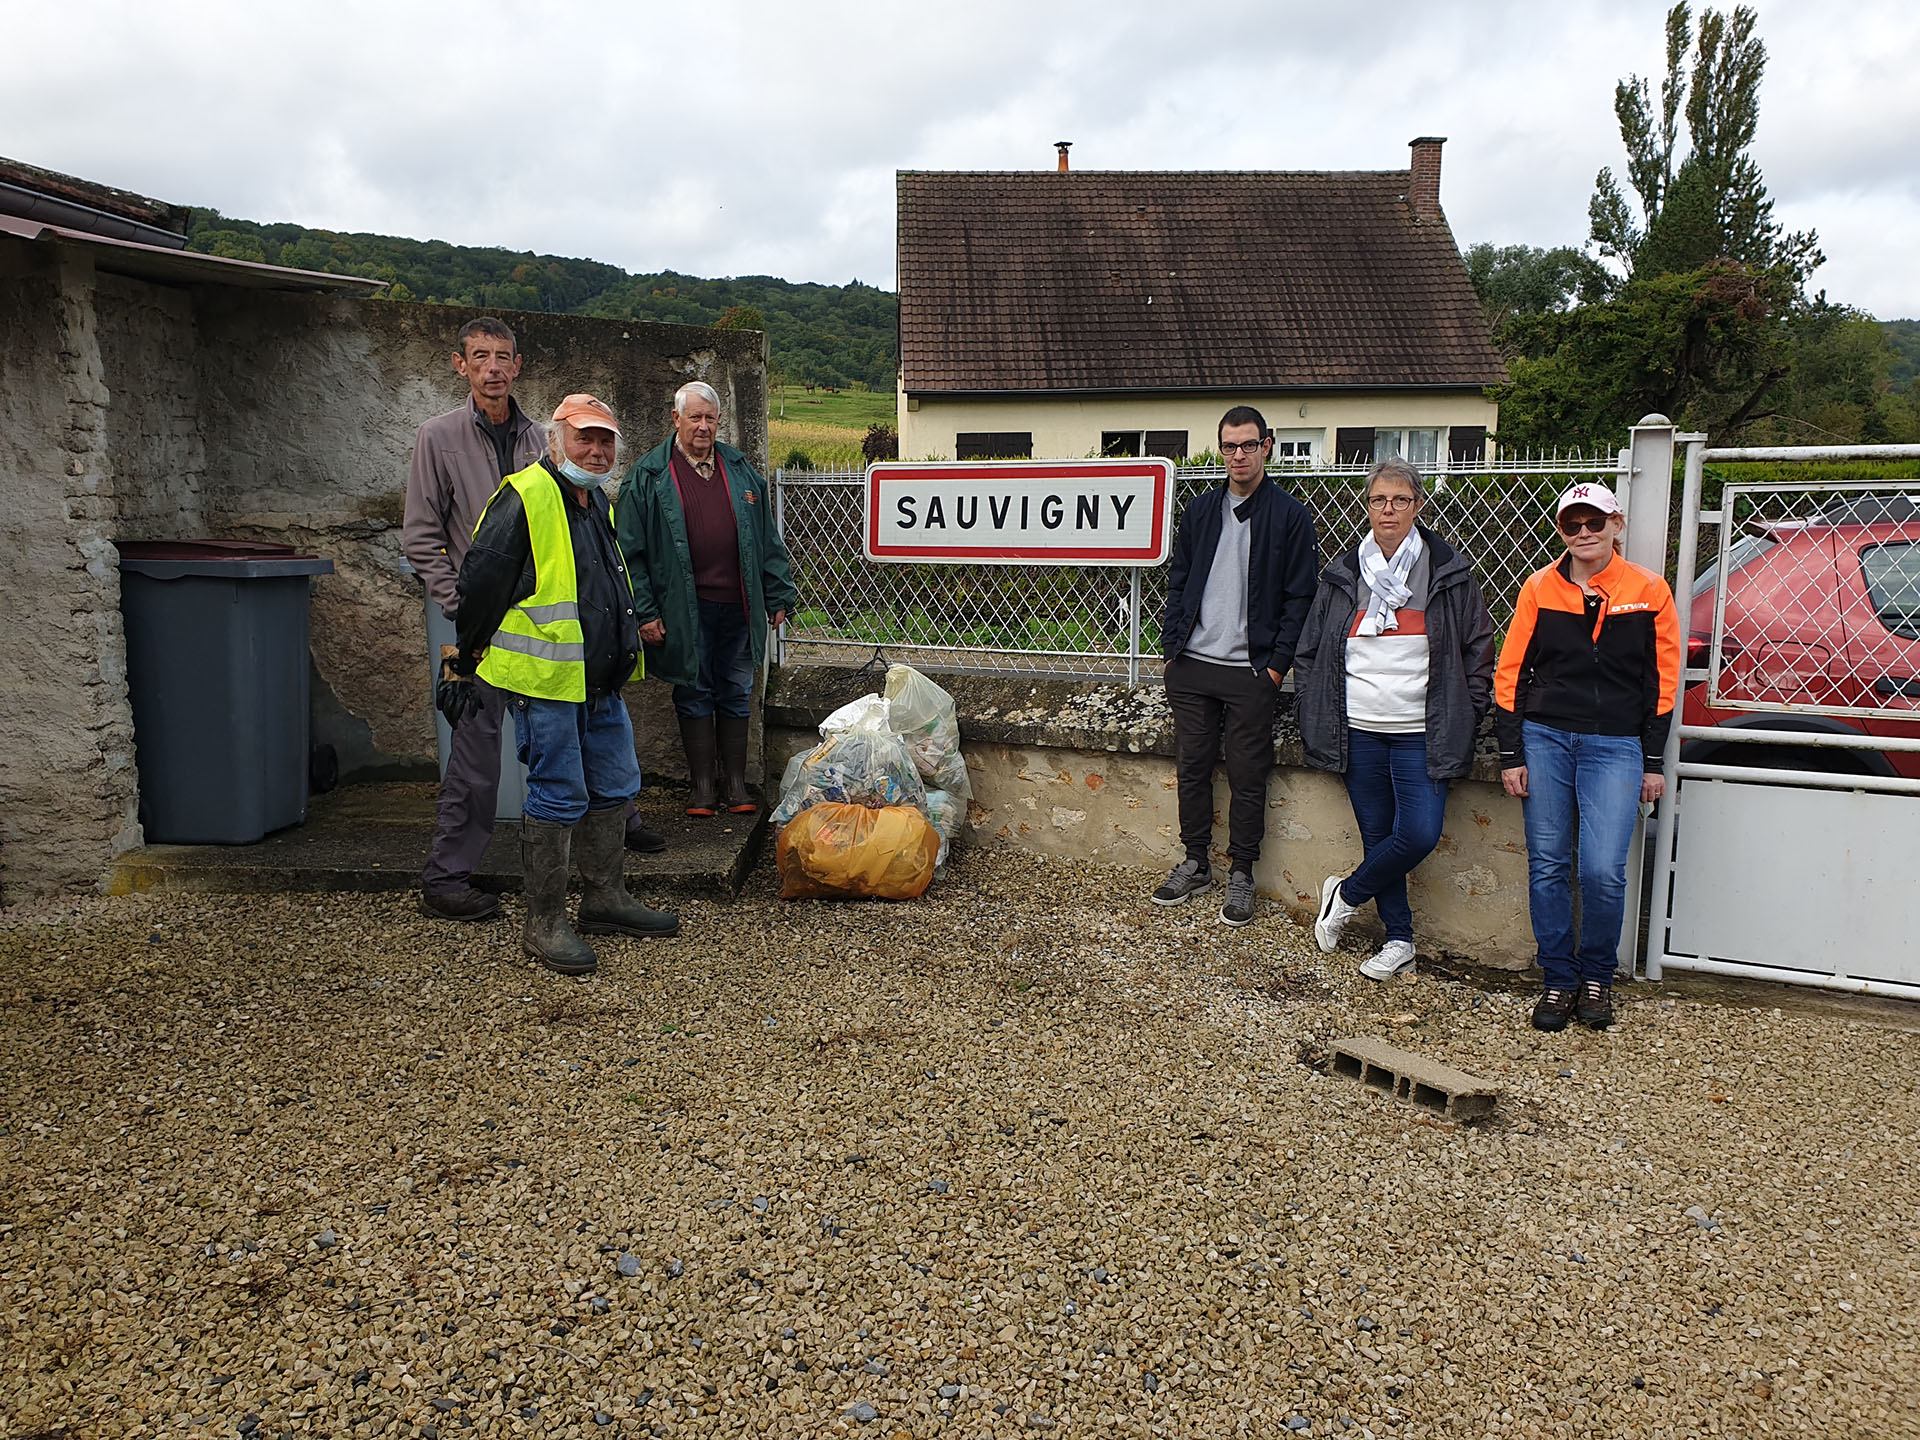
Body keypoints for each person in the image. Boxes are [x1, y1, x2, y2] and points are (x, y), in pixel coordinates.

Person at [446, 394, 680, 976]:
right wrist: (464, 659)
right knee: (558, 793)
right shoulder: (524, 496)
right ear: (556, 441)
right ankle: (544, 922)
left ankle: (604, 899)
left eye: (605, 442)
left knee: (615, 785)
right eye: (585, 439)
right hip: (547, 681)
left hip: (598, 681)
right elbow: (479, 584)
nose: (596, 451)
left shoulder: (592, 500)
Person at [1296, 458, 1496, 979]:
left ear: (1418, 506)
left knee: (1420, 834)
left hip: (1420, 734)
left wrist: (1468, 709)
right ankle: (1399, 939)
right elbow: (1312, 650)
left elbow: (1478, 649)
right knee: (1379, 837)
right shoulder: (1344, 575)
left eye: (1400, 500)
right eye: (1379, 499)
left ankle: (1346, 894)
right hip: (1358, 731)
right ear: (1367, 506)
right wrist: (1312, 706)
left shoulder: (1448, 571)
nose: (1389, 509)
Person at [1494, 481, 1680, 1031]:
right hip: (1545, 737)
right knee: (1548, 864)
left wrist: (1651, 760)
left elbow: (1663, 681)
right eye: (1572, 525)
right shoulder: (1538, 588)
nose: (1583, 534)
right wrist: (1511, 752)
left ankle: (1597, 974)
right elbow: (1511, 673)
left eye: (1594, 523)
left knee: (1601, 870)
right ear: (1561, 532)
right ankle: (1558, 978)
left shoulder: (1650, 590)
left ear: (1615, 526)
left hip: (1616, 744)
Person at [402, 318, 547, 922]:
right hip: (477, 631)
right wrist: (459, 604)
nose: (493, 367)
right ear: (460, 365)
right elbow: (420, 535)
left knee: (559, 741)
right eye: (480, 356)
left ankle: (579, 865)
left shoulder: (545, 439)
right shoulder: (438, 437)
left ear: (518, 366)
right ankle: (447, 878)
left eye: (503, 357)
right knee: (476, 753)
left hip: (542, 624)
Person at [1153, 405, 1320, 926]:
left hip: (1251, 671)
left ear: (1267, 446)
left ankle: (1242, 872)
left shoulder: (1290, 516)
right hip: (1193, 665)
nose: (1239, 455)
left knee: (1249, 774)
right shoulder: (1201, 511)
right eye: (1229, 446)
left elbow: (1300, 598)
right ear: (1220, 449)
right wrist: (1170, 648)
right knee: (1193, 768)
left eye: (1249, 445)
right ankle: (1195, 861)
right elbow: (1178, 580)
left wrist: (1275, 667)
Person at [615, 381, 799, 817]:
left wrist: (778, 592)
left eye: (710, 418)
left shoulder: (739, 469)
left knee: (736, 689)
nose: (702, 426)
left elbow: (767, 540)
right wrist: (645, 611)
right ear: (675, 419)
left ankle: (735, 785)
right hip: (683, 608)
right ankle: (702, 788)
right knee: (694, 691)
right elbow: (629, 553)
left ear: (719, 421)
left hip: (739, 603)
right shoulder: (648, 475)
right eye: (694, 417)